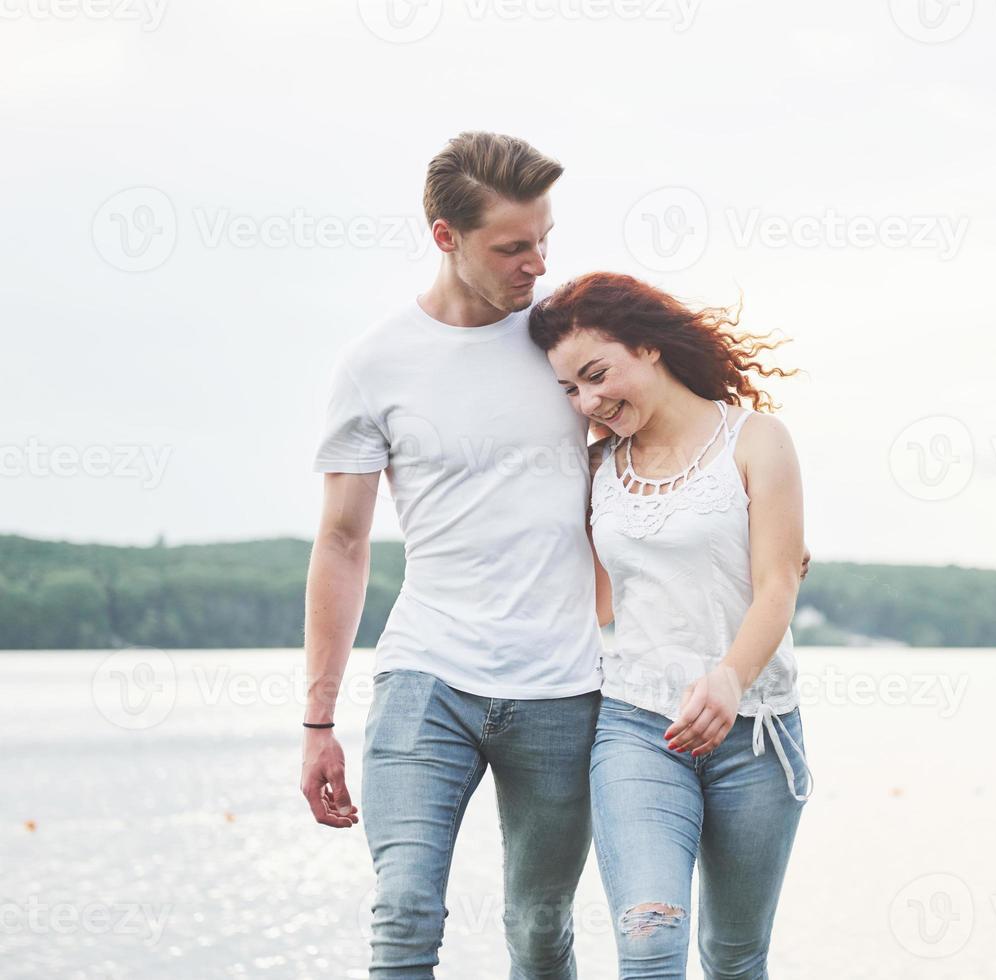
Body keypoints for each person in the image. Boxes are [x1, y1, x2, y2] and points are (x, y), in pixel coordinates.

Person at [300, 132, 811, 979]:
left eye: (545, 239)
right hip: (427, 674)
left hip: (564, 689)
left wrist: (770, 553)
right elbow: (342, 542)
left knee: (541, 930)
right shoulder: (372, 367)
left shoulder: (561, 347)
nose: (536, 263)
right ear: (444, 236)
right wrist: (317, 720)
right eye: (512, 247)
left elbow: (666, 483)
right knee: (403, 916)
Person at [530, 272, 814, 980]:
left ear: (650, 346)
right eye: (570, 390)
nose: (589, 401)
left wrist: (728, 678)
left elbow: (779, 582)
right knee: (651, 942)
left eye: (596, 375)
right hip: (636, 729)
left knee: (734, 956)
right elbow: (598, 604)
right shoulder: (595, 466)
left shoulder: (758, 441)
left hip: (756, 732)